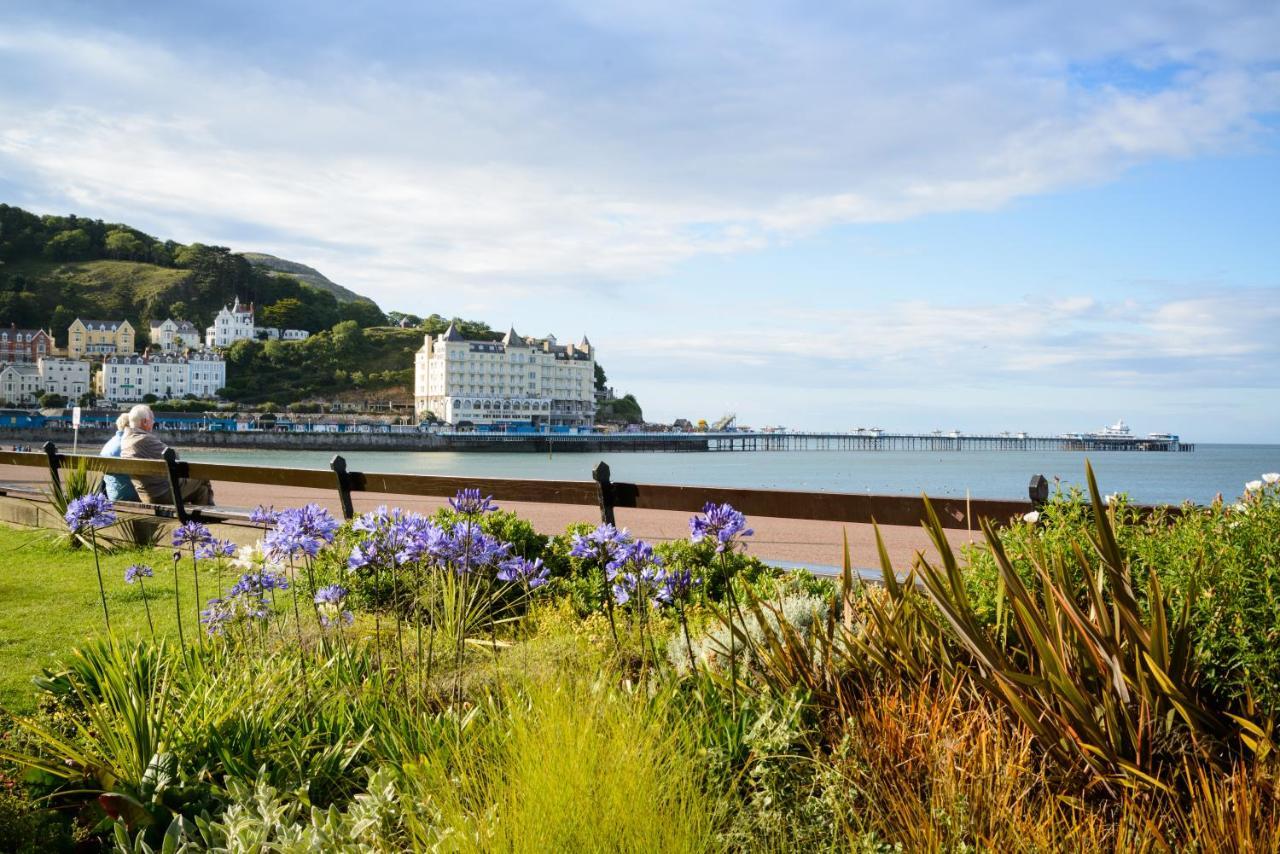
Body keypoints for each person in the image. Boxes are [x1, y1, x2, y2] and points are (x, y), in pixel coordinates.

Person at [121, 404, 215, 505]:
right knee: (202, 477)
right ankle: (204, 517)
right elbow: (174, 456)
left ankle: (199, 518)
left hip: (145, 494)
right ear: (145, 422)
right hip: (163, 493)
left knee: (202, 490)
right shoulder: (145, 439)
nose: (153, 422)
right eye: (152, 419)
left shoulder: (125, 440)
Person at [99, 413, 140, 502]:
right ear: (131, 426)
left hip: (112, 495)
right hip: (132, 496)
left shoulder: (108, 444)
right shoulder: (132, 445)